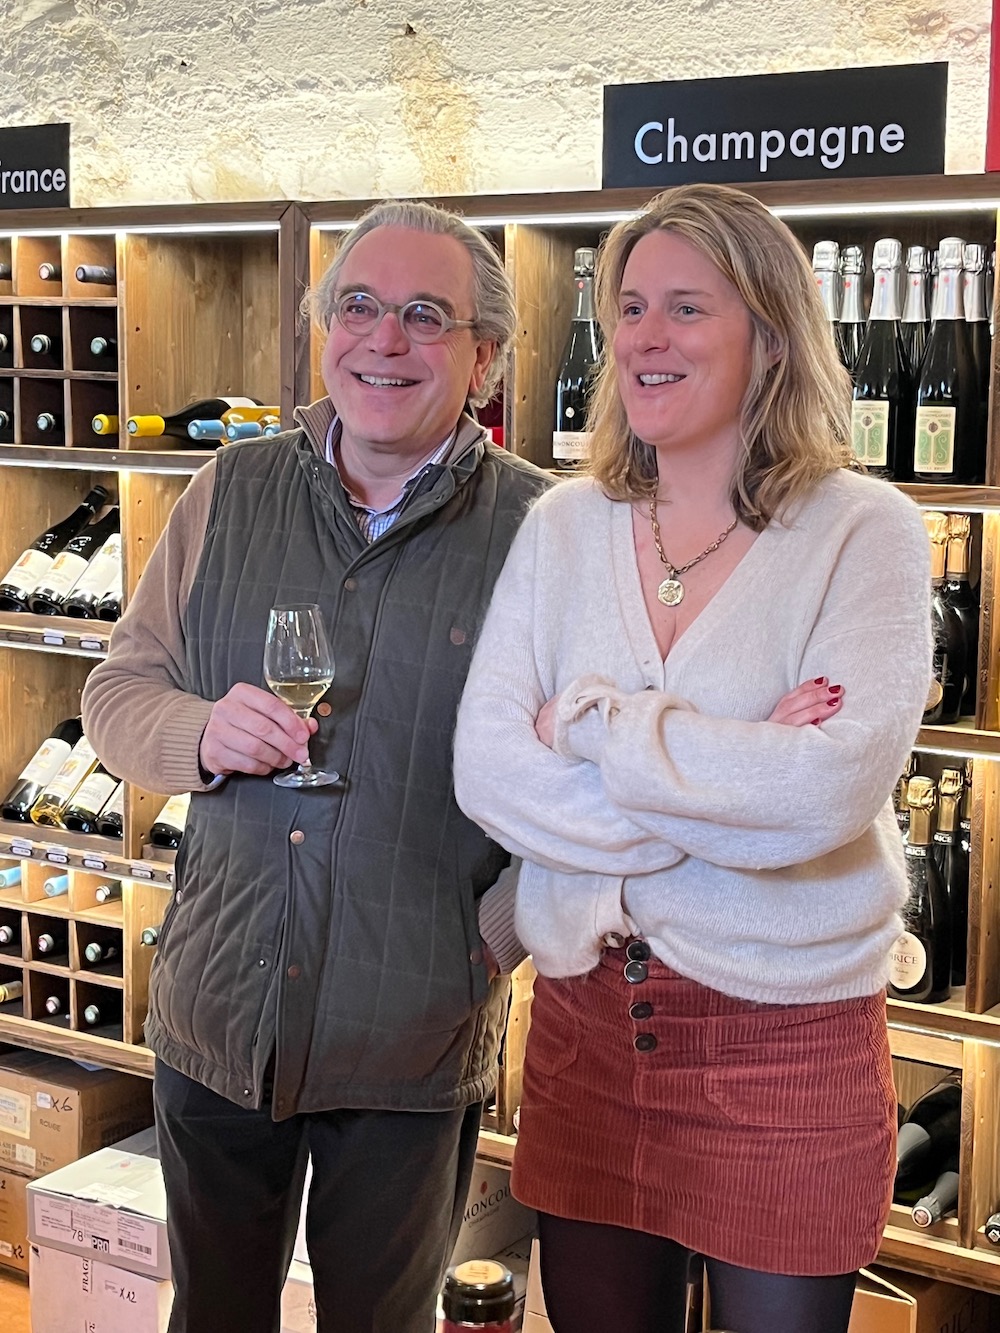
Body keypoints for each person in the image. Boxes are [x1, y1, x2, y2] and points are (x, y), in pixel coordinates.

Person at [453, 182, 932, 1333]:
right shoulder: (563, 524)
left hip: (786, 1045)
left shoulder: (862, 530)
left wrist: (601, 729)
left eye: (686, 307)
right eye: (628, 309)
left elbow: (825, 788)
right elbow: (486, 768)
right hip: (581, 1032)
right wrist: (735, 764)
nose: (643, 339)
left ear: (769, 334)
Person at [81, 199, 551, 1333]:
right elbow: (115, 695)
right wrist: (196, 733)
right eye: (357, 306)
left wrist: (479, 946)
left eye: (424, 315)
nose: (382, 339)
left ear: (483, 354)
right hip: (218, 1017)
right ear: (320, 328)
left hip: (410, 1044)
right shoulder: (229, 492)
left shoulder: (547, 532)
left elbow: (588, 799)